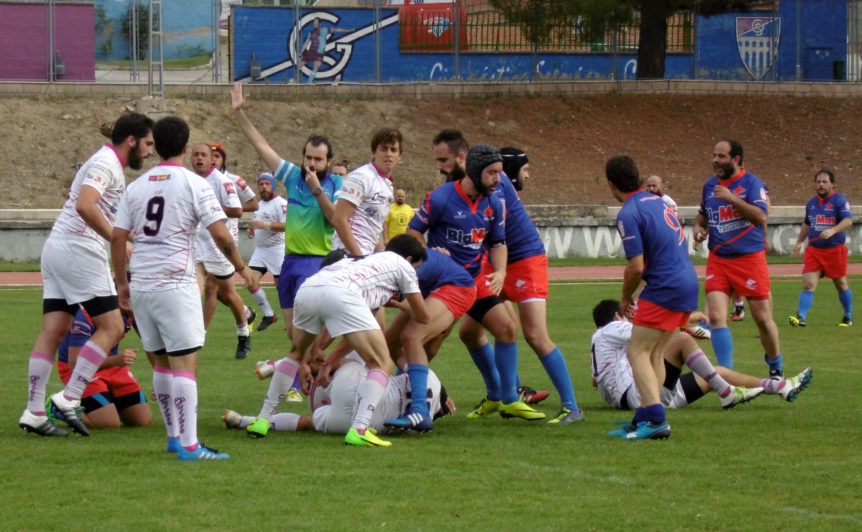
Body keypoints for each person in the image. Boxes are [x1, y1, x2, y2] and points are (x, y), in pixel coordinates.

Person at [111, 115, 255, 461]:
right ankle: (190, 445)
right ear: (187, 147)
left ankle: (175, 438)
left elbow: (117, 237)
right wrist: (242, 269)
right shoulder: (194, 184)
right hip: (175, 283)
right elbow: (221, 234)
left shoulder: (137, 186)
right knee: (184, 365)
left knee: (160, 364)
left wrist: (121, 284)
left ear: (156, 146)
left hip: (142, 282)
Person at [19, 112, 154, 438]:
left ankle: (35, 411)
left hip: (58, 247)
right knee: (113, 325)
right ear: (132, 140)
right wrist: (114, 239)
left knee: (54, 329)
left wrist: (128, 237)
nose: (150, 152)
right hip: (79, 249)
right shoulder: (105, 163)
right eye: (148, 144)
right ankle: (69, 397)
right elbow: (85, 205)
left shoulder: (107, 162)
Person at [244, 235, 430, 447]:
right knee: (382, 363)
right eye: (417, 267)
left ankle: (262, 419)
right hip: (342, 294)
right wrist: (401, 304)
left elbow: (352, 333)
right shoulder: (402, 266)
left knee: (296, 354)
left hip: (309, 288)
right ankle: (359, 428)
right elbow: (423, 316)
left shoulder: (363, 261)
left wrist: (328, 360)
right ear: (409, 259)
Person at [407, 142, 544, 421]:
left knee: (507, 327)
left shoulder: (494, 202)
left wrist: (501, 271)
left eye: (500, 173)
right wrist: (429, 253)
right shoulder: (442, 197)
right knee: (429, 344)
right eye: (492, 173)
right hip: (444, 283)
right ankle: (403, 393)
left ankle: (507, 399)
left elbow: (498, 243)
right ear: (475, 171)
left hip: (473, 279)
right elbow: (413, 232)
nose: (498, 179)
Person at [230, 82, 343, 341]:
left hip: (316, 261)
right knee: (294, 336)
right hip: (289, 262)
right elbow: (262, 146)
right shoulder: (293, 176)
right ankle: (307, 376)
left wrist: (317, 190)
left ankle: (305, 376)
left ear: (328, 162)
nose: (312, 164)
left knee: (307, 338)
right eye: (308, 158)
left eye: (318, 159)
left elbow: (335, 219)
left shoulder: (336, 184)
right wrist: (239, 113)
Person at [479, 146, 583, 424]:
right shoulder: (477, 184)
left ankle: (572, 407)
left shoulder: (496, 188)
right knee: (471, 329)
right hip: (498, 260)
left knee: (535, 335)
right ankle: (503, 395)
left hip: (525, 259)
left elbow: (489, 226)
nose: (529, 176)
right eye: (526, 170)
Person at [605, 154, 699, 440]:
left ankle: (656, 420)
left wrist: (624, 298)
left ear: (611, 184)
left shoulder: (629, 211)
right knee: (655, 352)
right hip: (688, 281)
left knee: (637, 352)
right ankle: (646, 413)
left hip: (665, 285)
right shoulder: (658, 200)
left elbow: (635, 266)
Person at [591, 299, 813, 411]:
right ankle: (727, 393)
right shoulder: (611, 329)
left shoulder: (600, 343)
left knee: (716, 372)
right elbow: (647, 331)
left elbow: (596, 381)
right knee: (683, 341)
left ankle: (780, 387)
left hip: (637, 397)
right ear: (617, 317)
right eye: (626, 316)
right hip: (639, 398)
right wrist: (684, 322)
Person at [692, 140, 785, 377]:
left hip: (749, 258)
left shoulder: (752, 183)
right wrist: (698, 229)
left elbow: (761, 216)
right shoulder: (709, 185)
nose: (715, 160)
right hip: (718, 258)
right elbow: (702, 216)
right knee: (714, 316)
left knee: (762, 319)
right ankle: (728, 375)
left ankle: (775, 366)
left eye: (721, 156)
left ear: (736, 160)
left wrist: (732, 198)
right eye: (714, 155)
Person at [224, 351, 454, 435]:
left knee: (360, 356)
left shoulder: (430, 379)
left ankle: (282, 364)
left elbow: (394, 353)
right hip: (362, 422)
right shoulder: (415, 425)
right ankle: (242, 421)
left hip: (353, 385)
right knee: (306, 423)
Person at [382, 247, 477, 431]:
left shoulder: (401, 269)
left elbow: (422, 316)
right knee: (391, 341)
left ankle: (419, 410)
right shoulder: (391, 267)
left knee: (412, 337)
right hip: (432, 288)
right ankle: (412, 393)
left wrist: (328, 358)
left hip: (456, 287)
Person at [190, 143, 253, 359]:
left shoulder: (222, 181)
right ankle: (198, 337)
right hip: (198, 243)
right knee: (203, 288)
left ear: (212, 160)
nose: (199, 158)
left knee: (226, 292)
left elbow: (236, 209)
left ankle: (244, 331)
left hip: (220, 244)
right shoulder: (190, 180)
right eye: (196, 155)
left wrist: (210, 208)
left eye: (204, 155)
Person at [56, 310, 152, 429]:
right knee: (109, 424)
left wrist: (162, 377)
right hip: (80, 369)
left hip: (112, 364)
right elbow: (75, 363)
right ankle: (59, 406)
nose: (129, 297)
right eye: (125, 293)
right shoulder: (85, 314)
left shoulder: (131, 309)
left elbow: (153, 344)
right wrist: (114, 360)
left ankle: (107, 402)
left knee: (142, 420)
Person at [789, 169, 854, 327]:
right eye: (818, 182)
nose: (821, 185)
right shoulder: (811, 203)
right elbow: (807, 224)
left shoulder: (840, 201)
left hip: (835, 250)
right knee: (808, 283)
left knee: (840, 284)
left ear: (832, 184)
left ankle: (847, 316)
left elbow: (848, 221)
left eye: (824, 182)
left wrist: (832, 230)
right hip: (814, 250)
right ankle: (801, 317)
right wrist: (799, 242)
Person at [332, 128, 401, 258]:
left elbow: (372, 228)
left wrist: (383, 256)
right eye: (384, 149)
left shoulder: (387, 185)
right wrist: (359, 257)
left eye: (393, 150)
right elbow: (339, 219)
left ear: (399, 155)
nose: (389, 154)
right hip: (347, 256)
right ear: (373, 153)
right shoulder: (362, 176)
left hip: (366, 256)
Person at [246, 172, 287, 331]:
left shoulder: (281, 203)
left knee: (282, 287)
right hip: (261, 250)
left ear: (273, 186)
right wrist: (252, 230)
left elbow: (286, 226)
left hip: (277, 249)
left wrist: (263, 224)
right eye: (261, 184)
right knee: (250, 281)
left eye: (267, 184)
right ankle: (269, 314)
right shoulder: (259, 205)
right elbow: (257, 224)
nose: (263, 187)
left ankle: (292, 319)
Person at [297, 17, 350, 83]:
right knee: (300, 64)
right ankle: (296, 79)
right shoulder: (311, 32)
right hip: (312, 51)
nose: (314, 23)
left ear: (320, 23)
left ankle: (309, 82)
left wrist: (347, 31)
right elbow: (306, 43)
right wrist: (301, 52)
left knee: (316, 67)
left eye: (316, 22)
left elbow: (337, 29)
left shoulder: (325, 29)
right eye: (314, 22)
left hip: (320, 53)